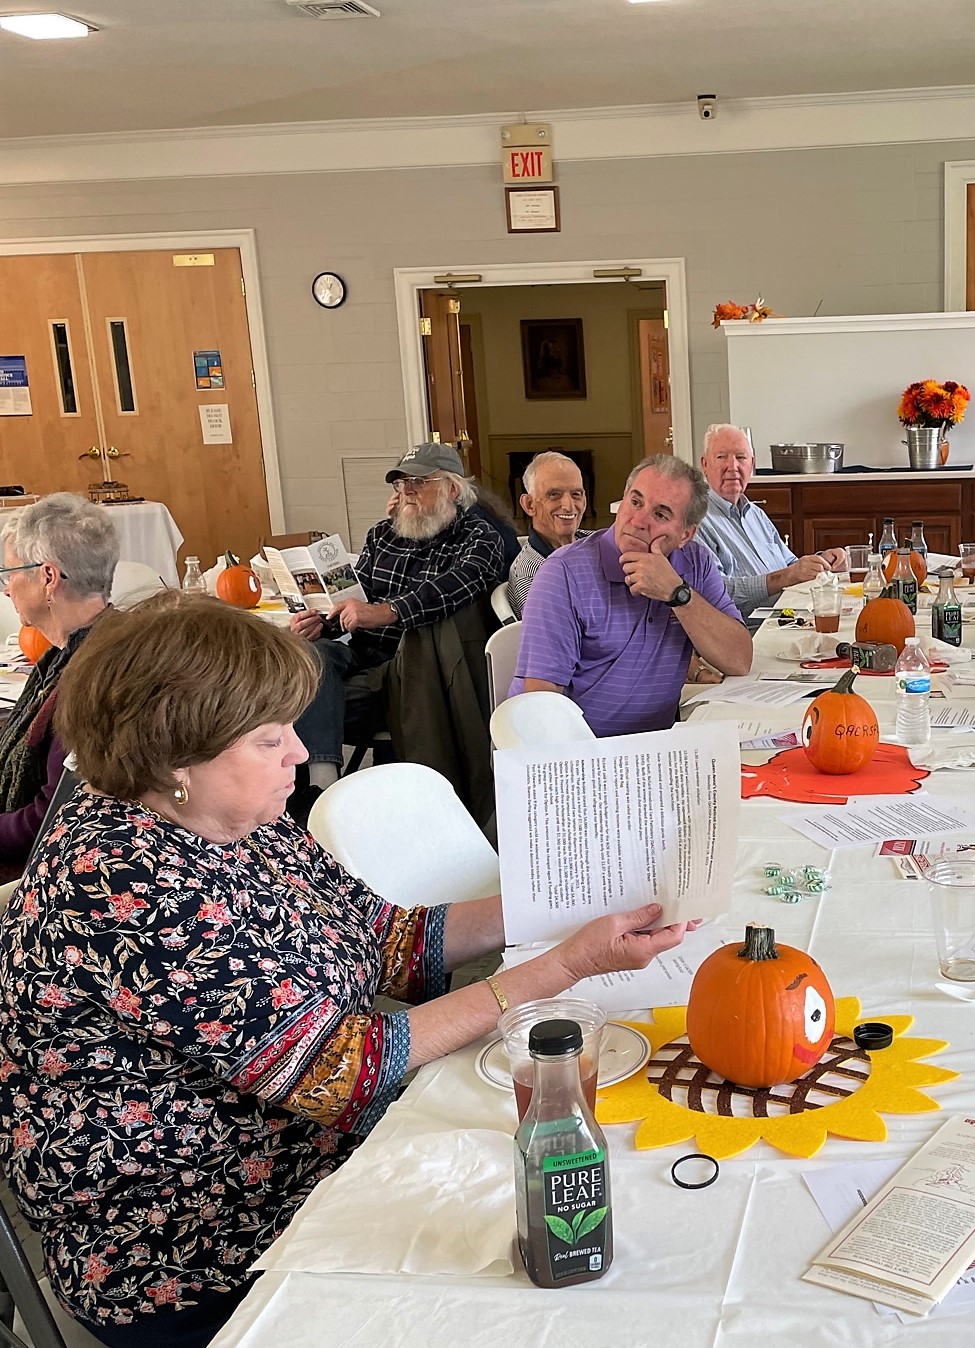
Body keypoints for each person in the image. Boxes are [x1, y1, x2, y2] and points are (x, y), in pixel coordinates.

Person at [0, 592, 689, 1346]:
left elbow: (388, 938)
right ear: (175, 758)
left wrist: (571, 900)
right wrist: (565, 965)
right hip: (193, 1240)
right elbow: (339, 1069)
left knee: (594, 1192)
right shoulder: (122, 882)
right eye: (269, 739)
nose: (300, 754)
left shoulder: (236, 822)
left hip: (313, 1155)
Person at [290, 442, 506, 789]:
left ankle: (320, 786)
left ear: (452, 489)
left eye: (418, 482)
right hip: (362, 652)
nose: (406, 491)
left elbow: (452, 588)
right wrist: (322, 623)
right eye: (401, 483)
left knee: (310, 695)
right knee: (307, 659)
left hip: (421, 665)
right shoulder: (383, 535)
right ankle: (321, 780)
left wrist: (387, 612)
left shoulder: (479, 538)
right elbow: (356, 598)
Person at [515, 453, 752, 736]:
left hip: (657, 744)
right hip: (582, 749)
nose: (638, 520)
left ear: (686, 534)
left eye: (660, 514)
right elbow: (541, 703)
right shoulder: (562, 572)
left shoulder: (695, 562)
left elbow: (739, 660)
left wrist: (677, 594)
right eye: (636, 502)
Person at [0, 492, 118, 880]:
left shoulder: (93, 676)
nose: (6, 588)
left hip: (41, 870)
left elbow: (50, 816)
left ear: (48, 578)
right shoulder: (75, 648)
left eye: (10, 573)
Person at [694, 424, 847, 619]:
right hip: (752, 628)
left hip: (789, 616)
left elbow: (790, 564)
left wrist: (822, 562)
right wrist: (786, 577)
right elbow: (717, 593)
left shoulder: (755, 514)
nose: (732, 466)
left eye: (741, 457)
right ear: (705, 465)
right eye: (721, 457)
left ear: (752, 464)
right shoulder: (696, 522)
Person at [508, 451, 590, 616]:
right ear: (529, 505)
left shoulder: (598, 542)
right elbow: (555, 631)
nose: (568, 506)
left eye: (576, 494)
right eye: (554, 495)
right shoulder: (530, 575)